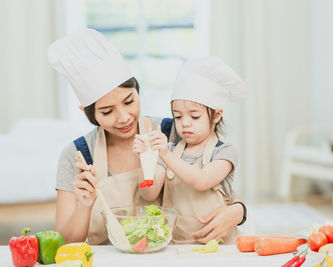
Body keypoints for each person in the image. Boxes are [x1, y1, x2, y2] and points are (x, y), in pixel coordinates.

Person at [49, 29, 246, 245]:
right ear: (88, 112)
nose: (124, 118)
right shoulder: (78, 156)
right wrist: (84, 206)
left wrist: (238, 211)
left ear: (138, 91)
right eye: (107, 112)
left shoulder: (174, 132)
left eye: (129, 101)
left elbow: (215, 186)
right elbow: (64, 241)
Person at [133, 57, 247, 244]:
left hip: (219, 246)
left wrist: (165, 155)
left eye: (194, 116)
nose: (185, 123)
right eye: (177, 116)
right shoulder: (169, 150)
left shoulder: (225, 152)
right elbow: (149, 193)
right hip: (176, 245)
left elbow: (201, 181)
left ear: (217, 115)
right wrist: (145, 158)